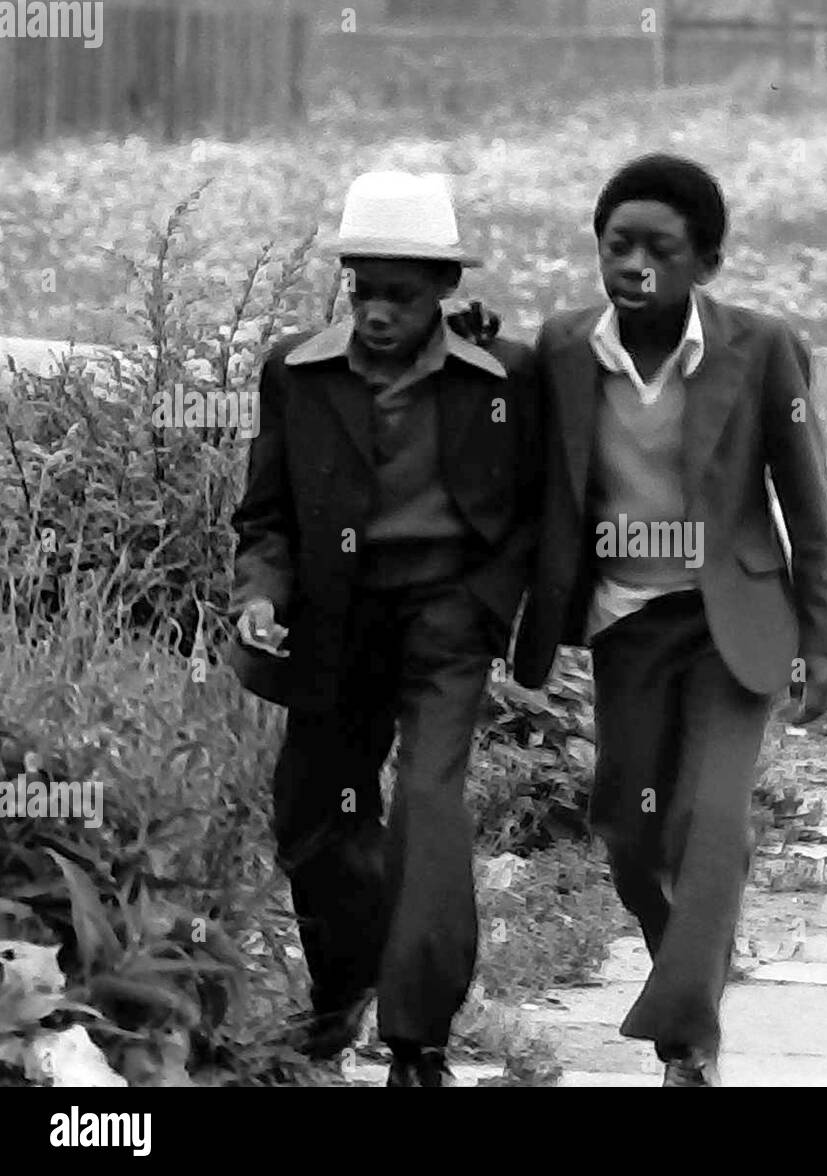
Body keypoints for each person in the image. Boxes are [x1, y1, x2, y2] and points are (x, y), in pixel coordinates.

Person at [513, 153, 827, 1086]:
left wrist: (824, 641)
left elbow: (808, 503)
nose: (635, 264)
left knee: (711, 819)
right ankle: (687, 973)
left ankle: (684, 1038)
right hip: (626, 625)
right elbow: (516, 437)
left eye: (660, 247)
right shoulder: (565, 348)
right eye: (617, 244)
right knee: (628, 833)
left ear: (705, 262)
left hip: (731, 624)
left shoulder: (761, 346)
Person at [229, 171, 538, 1087]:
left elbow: (536, 498)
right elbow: (268, 515)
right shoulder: (296, 370)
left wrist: (497, 604)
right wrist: (260, 597)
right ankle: (345, 985)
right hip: (334, 616)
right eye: (362, 291)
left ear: (445, 292)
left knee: (429, 810)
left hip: (445, 617)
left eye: (400, 296)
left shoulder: (502, 377)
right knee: (314, 816)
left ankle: (417, 1041)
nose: (375, 313)